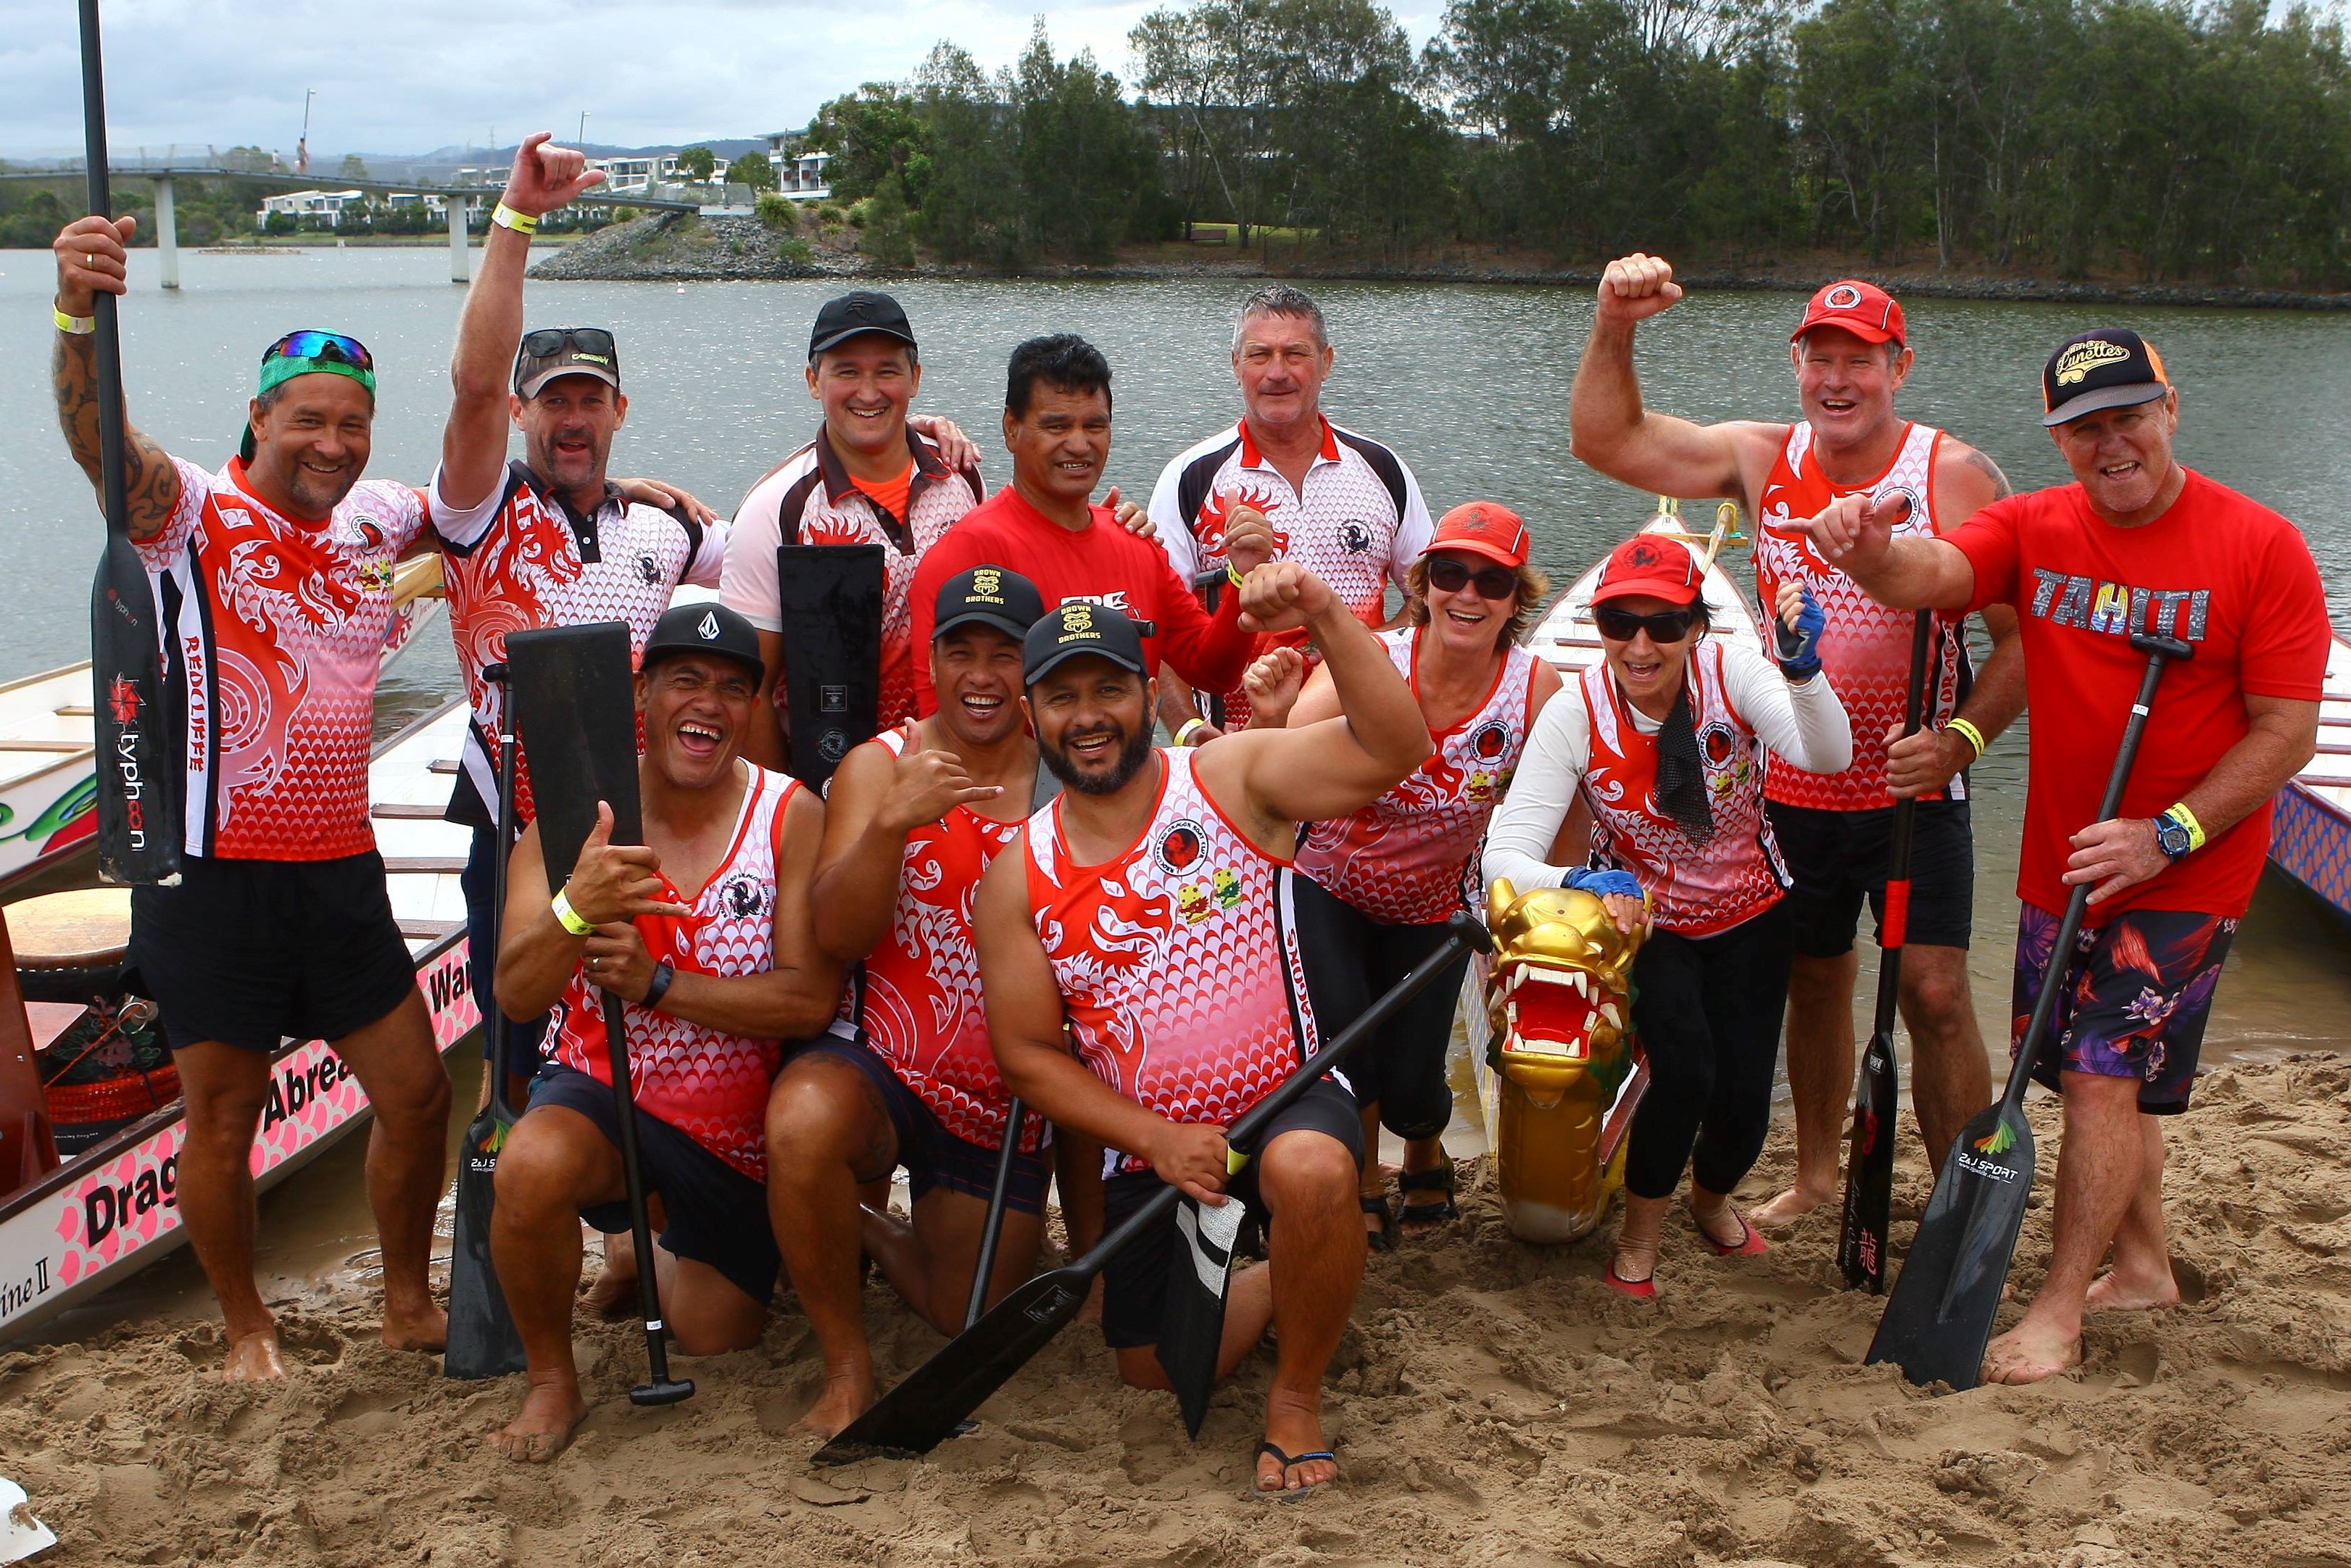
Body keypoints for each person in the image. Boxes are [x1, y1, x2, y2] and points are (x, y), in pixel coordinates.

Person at [1797, 328, 2326, 1384]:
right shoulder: (2033, 526)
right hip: (2064, 863)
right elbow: (1932, 573)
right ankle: (2144, 1265)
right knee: (2093, 1076)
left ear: (2169, 409)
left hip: (2186, 870)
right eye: (2084, 428)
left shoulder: (2262, 547)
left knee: (2094, 1078)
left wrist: (2164, 834)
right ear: (2057, 440)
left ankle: (2058, 1309)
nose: (2110, 443)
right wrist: (1864, 552)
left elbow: (2287, 733)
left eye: (2128, 417)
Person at [48, 220, 455, 1378]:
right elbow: (96, 438)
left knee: (419, 1093)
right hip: (210, 879)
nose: (331, 442)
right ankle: (246, 1327)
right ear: (260, 418)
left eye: (352, 422)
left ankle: (405, 1301)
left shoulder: (381, 517)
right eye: (308, 418)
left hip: (340, 873)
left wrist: (617, 486)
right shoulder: (187, 512)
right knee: (223, 1120)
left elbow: (481, 503)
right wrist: (76, 313)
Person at [1568, 257, 2027, 1228]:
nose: (1836, 379)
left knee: (1935, 993)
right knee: (1814, 981)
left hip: (1913, 790)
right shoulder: (1759, 456)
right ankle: (1817, 1176)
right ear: (1795, 365)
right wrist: (1614, 324)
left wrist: (1959, 739)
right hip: (1788, 790)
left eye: (1859, 360)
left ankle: (1960, 1204)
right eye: (1819, 358)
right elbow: (1604, 440)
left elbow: (2022, 642)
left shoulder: (1952, 474)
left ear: (1899, 366)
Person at [974, 571, 1433, 1496]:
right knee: (1150, 1369)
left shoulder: (1228, 778)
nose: (1088, 716)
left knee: (1313, 1172)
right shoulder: (1016, 877)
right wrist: (1154, 1138)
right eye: (1062, 697)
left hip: (1289, 1094)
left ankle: (1296, 1402)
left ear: (1150, 694)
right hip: (1157, 1143)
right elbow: (1025, 1056)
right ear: (1031, 718)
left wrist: (1325, 614)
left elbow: (1397, 746)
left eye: (1109, 688)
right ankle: (1291, 1275)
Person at [486, 603, 840, 1460]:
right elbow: (516, 996)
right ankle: (551, 1382)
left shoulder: (790, 813)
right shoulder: (575, 818)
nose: (708, 703)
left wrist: (657, 986)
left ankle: (641, 1240)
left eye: (732, 688)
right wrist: (577, 907)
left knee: (716, 1336)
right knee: (528, 1164)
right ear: (642, 695)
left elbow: (806, 1003)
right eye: (686, 680)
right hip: (601, 1092)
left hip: (729, 1130)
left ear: (753, 710)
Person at [432, 133, 731, 1106]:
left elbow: (775, 542)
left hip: (636, 822)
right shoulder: (477, 514)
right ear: (521, 413)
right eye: (551, 399)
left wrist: (898, 440)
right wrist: (515, 220)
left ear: (618, 410)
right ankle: (506, 1154)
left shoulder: (666, 525)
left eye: (589, 399)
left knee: (633, 1041)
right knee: (515, 1049)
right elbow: (472, 384)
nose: (571, 416)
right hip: (513, 820)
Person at [1483, 533, 1852, 1295]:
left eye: (1663, 624)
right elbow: (1504, 856)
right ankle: (1640, 1235)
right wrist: (1581, 878)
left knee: (1743, 1105)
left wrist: (1803, 673)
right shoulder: (1576, 712)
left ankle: (1709, 1202)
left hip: (1753, 914)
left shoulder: (1732, 673)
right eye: (1619, 623)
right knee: (1684, 1072)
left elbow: (1827, 756)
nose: (1640, 645)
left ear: (1696, 628)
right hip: (1647, 921)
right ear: (1600, 628)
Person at [764, 568, 1052, 1438]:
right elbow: (839, 935)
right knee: (801, 1120)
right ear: (930, 661)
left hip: (1004, 1091)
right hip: (883, 1062)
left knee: (964, 1312)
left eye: (1004, 655)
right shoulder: (876, 765)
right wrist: (893, 821)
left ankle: (861, 1223)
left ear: (1034, 668)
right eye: (961, 652)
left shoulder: (1063, 774)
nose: (981, 676)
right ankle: (846, 1367)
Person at [1244, 502, 1561, 1247]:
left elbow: (1554, 818)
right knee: (1345, 1045)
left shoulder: (1534, 688)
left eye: (1491, 581)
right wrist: (1274, 714)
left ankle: (1424, 1151)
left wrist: (1547, 915)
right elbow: (1272, 770)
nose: (1467, 594)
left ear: (1516, 601)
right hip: (1329, 884)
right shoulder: (1372, 659)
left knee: (1414, 1085)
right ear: (1422, 585)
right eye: (1449, 574)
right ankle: (1363, 1177)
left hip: (1433, 903)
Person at [906, 334, 1277, 715]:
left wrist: (1241, 577)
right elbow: (940, 719)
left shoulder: (1135, 543)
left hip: (1129, 755)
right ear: (1011, 428)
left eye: (1095, 426)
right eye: (1057, 426)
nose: (1079, 445)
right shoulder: (963, 555)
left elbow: (1214, 672)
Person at [1148, 285, 1435, 737]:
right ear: (1236, 364)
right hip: (1238, 742)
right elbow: (1155, 620)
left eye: (1295, 354)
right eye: (1259, 355)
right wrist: (1188, 729)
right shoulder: (1191, 477)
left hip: (1358, 733)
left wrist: (1364, 648)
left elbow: (1431, 595)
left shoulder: (1382, 469)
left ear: (1326, 362)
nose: (1277, 373)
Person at [721, 290, 993, 766]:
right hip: (827, 772)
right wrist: (788, 802)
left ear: (915, 378)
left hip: (948, 764)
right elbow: (748, 686)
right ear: (813, 381)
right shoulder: (776, 508)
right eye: (847, 372)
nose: (868, 393)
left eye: (887, 371)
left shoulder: (962, 478)